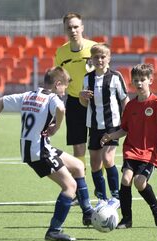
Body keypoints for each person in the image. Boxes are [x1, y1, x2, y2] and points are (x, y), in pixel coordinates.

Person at [0, 67, 94, 241]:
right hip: (39, 152)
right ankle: (54, 230)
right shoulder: (52, 98)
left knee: (78, 166)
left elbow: (1, 101)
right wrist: (57, 126)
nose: (66, 90)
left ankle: (87, 213)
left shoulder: (28, 95)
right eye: (65, 86)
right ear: (57, 84)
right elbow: (61, 109)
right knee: (70, 187)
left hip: (35, 147)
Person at [100, 63, 157, 229]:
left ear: (150, 81)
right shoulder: (130, 106)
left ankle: (155, 207)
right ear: (131, 82)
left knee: (140, 182)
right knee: (126, 180)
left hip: (150, 152)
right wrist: (110, 136)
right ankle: (127, 220)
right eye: (136, 80)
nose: (139, 83)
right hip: (131, 149)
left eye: (142, 80)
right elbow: (124, 129)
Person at [79, 43, 129, 203]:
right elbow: (84, 104)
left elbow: (124, 99)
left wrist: (127, 121)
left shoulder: (115, 77)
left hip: (112, 125)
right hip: (94, 126)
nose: (99, 60)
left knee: (107, 159)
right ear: (91, 59)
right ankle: (101, 197)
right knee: (95, 163)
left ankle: (116, 196)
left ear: (109, 58)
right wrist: (82, 96)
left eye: (103, 57)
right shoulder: (87, 78)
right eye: (96, 57)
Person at [54, 12, 97, 166]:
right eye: (69, 28)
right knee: (78, 147)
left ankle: (100, 187)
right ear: (65, 29)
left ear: (82, 28)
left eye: (76, 27)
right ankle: (81, 185)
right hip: (74, 102)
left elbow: (105, 74)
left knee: (97, 148)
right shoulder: (61, 52)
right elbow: (59, 79)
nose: (73, 30)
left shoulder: (94, 48)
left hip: (95, 101)